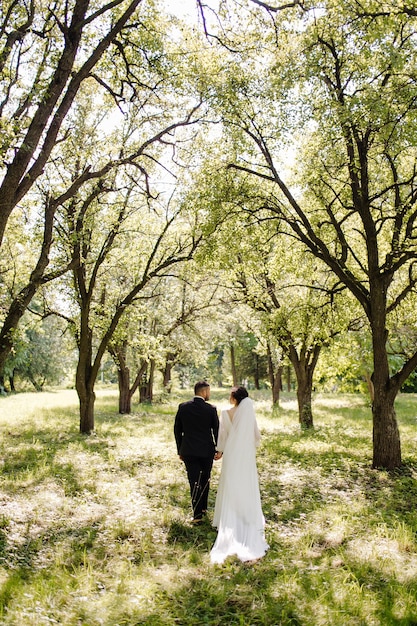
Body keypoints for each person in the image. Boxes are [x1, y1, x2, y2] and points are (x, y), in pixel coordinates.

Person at [210, 386, 268, 564]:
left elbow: (222, 435)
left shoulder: (226, 413)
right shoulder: (248, 414)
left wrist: (219, 451)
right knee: (245, 484)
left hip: (232, 455)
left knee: (230, 484)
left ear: (234, 398)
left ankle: (227, 518)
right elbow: (256, 435)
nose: (229, 398)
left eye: (230, 395)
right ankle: (245, 515)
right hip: (245, 456)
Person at [174, 381, 220, 524]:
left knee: (194, 481)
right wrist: (219, 449)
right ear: (204, 391)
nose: (209, 394)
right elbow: (217, 430)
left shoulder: (183, 407)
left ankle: (198, 513)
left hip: (189, 450)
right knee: (205, 479)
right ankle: (202, 509)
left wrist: (180, 449)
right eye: (209, 391)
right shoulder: (211, 409)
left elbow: (177, 430)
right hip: (207, 451)